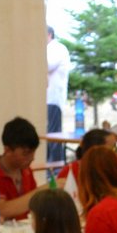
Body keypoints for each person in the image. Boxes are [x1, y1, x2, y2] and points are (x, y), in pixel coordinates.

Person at [0, 117, 42, 220]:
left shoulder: (26, 171)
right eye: (26, 153)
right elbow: (0, 210)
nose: (32, 158)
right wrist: (42, 191)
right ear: (7, 150)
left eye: (33, 152)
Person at [45, 26, 71, 160]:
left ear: (49, 35)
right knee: (47, 133)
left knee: (53, 133)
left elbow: (47, 65)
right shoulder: (50, 49)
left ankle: (55, 166)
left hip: (53, 98)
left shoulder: (57, 48)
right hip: (46, 99)